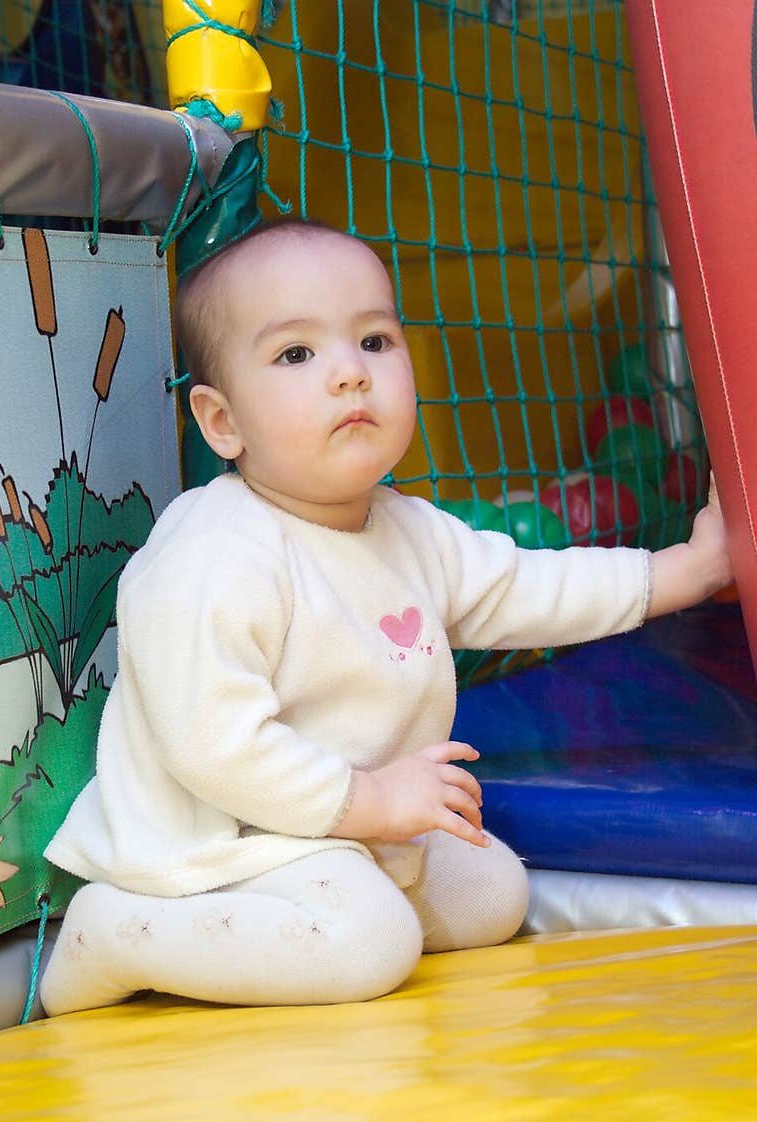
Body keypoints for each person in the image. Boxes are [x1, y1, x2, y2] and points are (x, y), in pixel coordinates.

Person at [39, 217, 733, 1017]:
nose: (349, 375)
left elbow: (530, 588)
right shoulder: (214, 553)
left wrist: (687, 571)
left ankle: (324, 905)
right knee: (373, 945)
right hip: (223, 845)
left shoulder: (405, 529)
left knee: (494, 893)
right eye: (297, 354)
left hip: (341, 826)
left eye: (375, 341)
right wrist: (368, 801)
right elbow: (213, 744)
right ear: (221, 422)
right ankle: (118, 931)